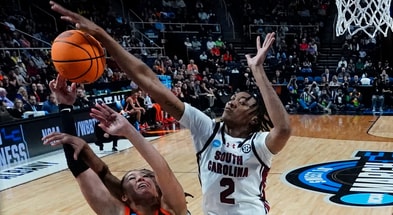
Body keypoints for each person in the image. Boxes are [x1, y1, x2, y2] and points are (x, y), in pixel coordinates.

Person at [49, 2, 292, 214]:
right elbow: (151, 82)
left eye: (243, 102)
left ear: (253, 119)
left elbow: (282, 129)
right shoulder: (207, 129)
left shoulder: (258, 144)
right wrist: (103, 36)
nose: (231, 101)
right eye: (233, 97)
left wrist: (258, 71)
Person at [42, 75, 188, 215]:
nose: (140, 178)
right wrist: (65, 108)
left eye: (146, 176)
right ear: (124, 196)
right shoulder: (116, 212)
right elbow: (79, 168)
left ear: (158, 189)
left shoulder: (172, 208)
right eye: (132, 178)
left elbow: (161, 169)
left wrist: (129, 131)